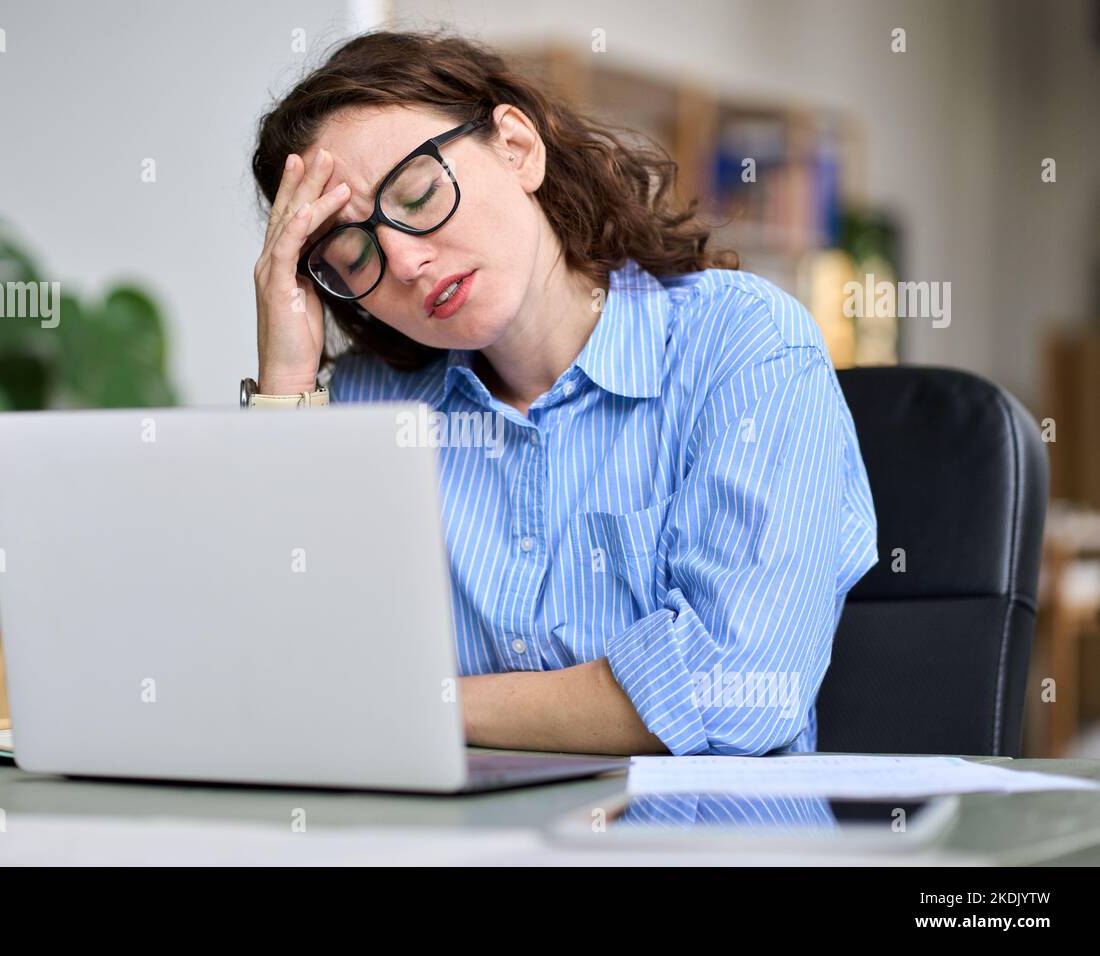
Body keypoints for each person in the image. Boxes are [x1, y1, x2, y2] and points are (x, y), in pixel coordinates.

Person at [248, 29, 878, 756]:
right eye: (351, 253)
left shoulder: (746, 346)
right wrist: (288, 379)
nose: (406, 260)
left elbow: (738, 689)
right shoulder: (363, 410)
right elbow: (278, 683)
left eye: (418, 195)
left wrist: (421, 703)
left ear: (517, 147)